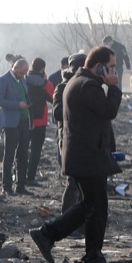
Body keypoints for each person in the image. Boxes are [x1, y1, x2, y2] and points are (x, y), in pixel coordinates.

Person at [30, 46, 122, 263]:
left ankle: (82, 250)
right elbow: (109, 111)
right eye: (110, 67)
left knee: (92, 205)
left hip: (86, 155)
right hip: (88, 157)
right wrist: (114, 87)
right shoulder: (87, 85)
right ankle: (51, 235)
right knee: (95, 206)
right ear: (98, 66)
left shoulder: (81, 82)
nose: (113, 72)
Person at [52, 53, 87, 215]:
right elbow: (57, 113)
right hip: (68, 139)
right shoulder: (62, 87)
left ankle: (77, 219)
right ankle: (66, 219)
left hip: (84, 139)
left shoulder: (86, 85)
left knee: (83, 183)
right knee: (73, 182)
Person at [0, 57, 32, 195]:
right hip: (10, 122)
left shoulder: (22, 80)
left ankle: (20, 186)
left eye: (25, 73)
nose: (23, 76)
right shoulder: (3, 79)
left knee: (23, 154)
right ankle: (6, 186)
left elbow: (25, 97)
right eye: (21, 73)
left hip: (24, 120)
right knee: (9, 154)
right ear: (15, 68)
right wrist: (17, 105)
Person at [25, 57, 54, 185]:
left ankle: (18, 176)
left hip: (24, 120)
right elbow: (53, 98)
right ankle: (30, 177)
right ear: (42, 69)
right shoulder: (46, 84)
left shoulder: (23, 80)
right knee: (36, 150)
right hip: (40, 122)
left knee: (21, 149)